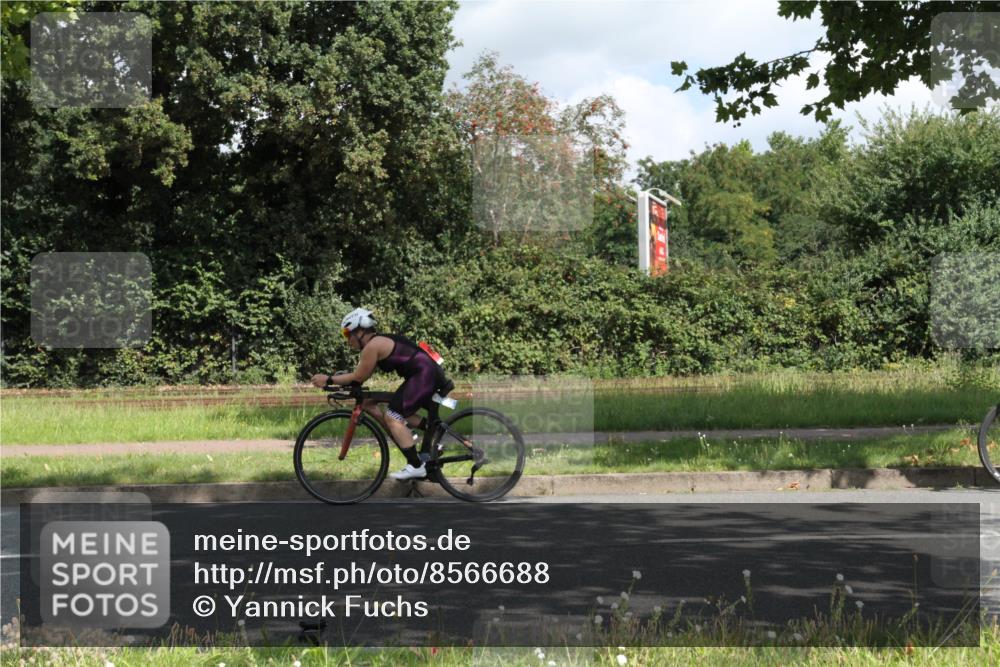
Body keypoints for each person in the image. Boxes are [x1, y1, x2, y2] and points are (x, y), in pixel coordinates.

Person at [310, 307, 446, 481]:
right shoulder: (379, 342)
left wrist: (328, 379)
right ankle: (431, 435)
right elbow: (359, 379)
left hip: (424, 375)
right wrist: (339, 381)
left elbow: (358, 377)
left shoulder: (372, 346)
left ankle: (416, 466)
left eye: (347, 333)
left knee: (393, 416)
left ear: (359, 331)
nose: (347, 339)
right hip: (425, 374)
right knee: (396, 408)